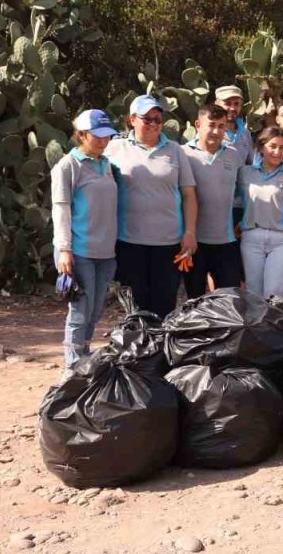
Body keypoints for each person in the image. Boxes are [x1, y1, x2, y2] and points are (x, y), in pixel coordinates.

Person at [105, 95, 198, 319]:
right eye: (147, 119)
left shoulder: (175, 150)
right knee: (134, 307)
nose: (154, 124)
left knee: (164, 303)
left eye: (158, 119)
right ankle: (137, 351)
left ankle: (159, 352)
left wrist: (190, 233)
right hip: (128, 241)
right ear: (131, 120)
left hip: (168, 243)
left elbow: (189, 195)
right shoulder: (114, 148)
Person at [51, 110, 120, 367]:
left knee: (96, 309)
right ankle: (72, 366)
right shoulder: (68, 166)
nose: (103, 141)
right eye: (97, 136)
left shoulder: (107, 164)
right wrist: (65, 249)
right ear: (81, 135)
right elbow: (61, 207)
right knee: (80, 310)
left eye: (107, 136)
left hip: (106, 251)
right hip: (78, 250)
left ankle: (84, 356)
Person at [181, 104, 246, 298]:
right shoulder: (183, 154)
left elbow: (246, 191)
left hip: (226, 241)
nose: (217, 131)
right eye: (211, 125)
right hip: (193, 243)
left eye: (221, 126)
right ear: (197, 124)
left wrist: (244, 220)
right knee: (195, 301)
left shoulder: (234, 155)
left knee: (229, 301)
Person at [238, 128, 283, 299]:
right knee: (253, 292)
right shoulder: (244, 173)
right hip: (251, 238)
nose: (277, 152)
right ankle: (255, 326)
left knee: (274, 292)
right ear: (261, 148)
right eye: (273, 146)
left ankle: (273, 326)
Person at [214, 85, 254, 164]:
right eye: (227, 103)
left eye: (236, 104)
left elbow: (251, 164)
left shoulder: (245, 133)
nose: (232, 108)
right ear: (217, 104)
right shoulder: (211, 132)